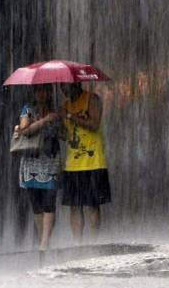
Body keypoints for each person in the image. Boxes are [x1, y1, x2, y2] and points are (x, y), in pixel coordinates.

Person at [59, 83, 112, 244]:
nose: (63, 88)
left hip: (93, 161)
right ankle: (77, 244)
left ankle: (94, 243)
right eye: (61, 85)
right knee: (74, 206)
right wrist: (55, 124)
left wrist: (69, 116)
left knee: (93, 204)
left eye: (65, 84)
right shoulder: (66, 106)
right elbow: (65, 135)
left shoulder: (92, 99)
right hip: (73, 164)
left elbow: (94, 125)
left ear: (76, 83)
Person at [16, 84, 61, 251]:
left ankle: (44, 243)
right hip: (32, 162)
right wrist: (44, 121)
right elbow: (24, 130)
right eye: (40, 90)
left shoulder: (55, 111)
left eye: (46, 90)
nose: (43, 94)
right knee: (36, 205)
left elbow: (63, 134)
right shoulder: (28, 110)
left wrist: (61, 122)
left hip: (50, 161)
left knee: (50, 201)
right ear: (35, 93)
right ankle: (43, 241)